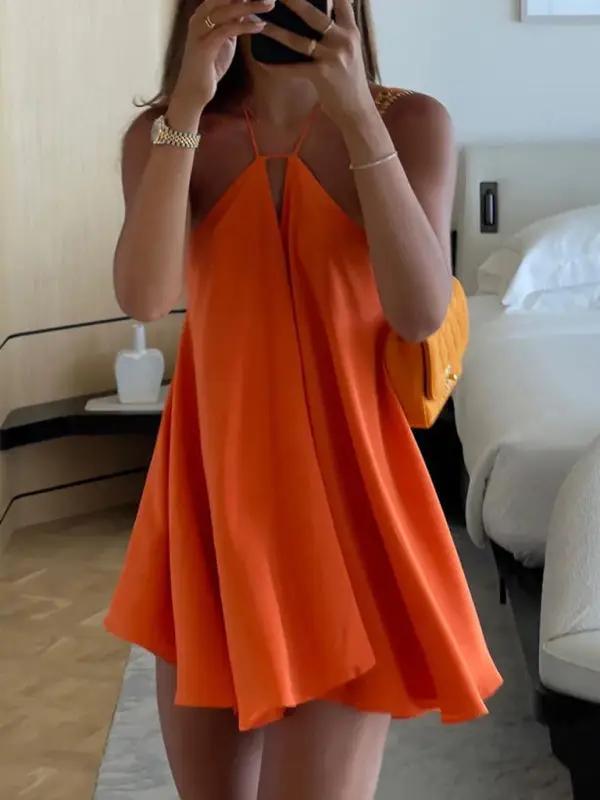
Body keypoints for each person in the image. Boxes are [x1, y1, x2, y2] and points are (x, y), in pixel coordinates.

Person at [105, 0, 503, 797]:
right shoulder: (167, 132)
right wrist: (187, 106)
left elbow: (419, 312)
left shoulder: (412, 124)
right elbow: (146, 297)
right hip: (211, 508)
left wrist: (356, 116)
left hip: (346, 509)